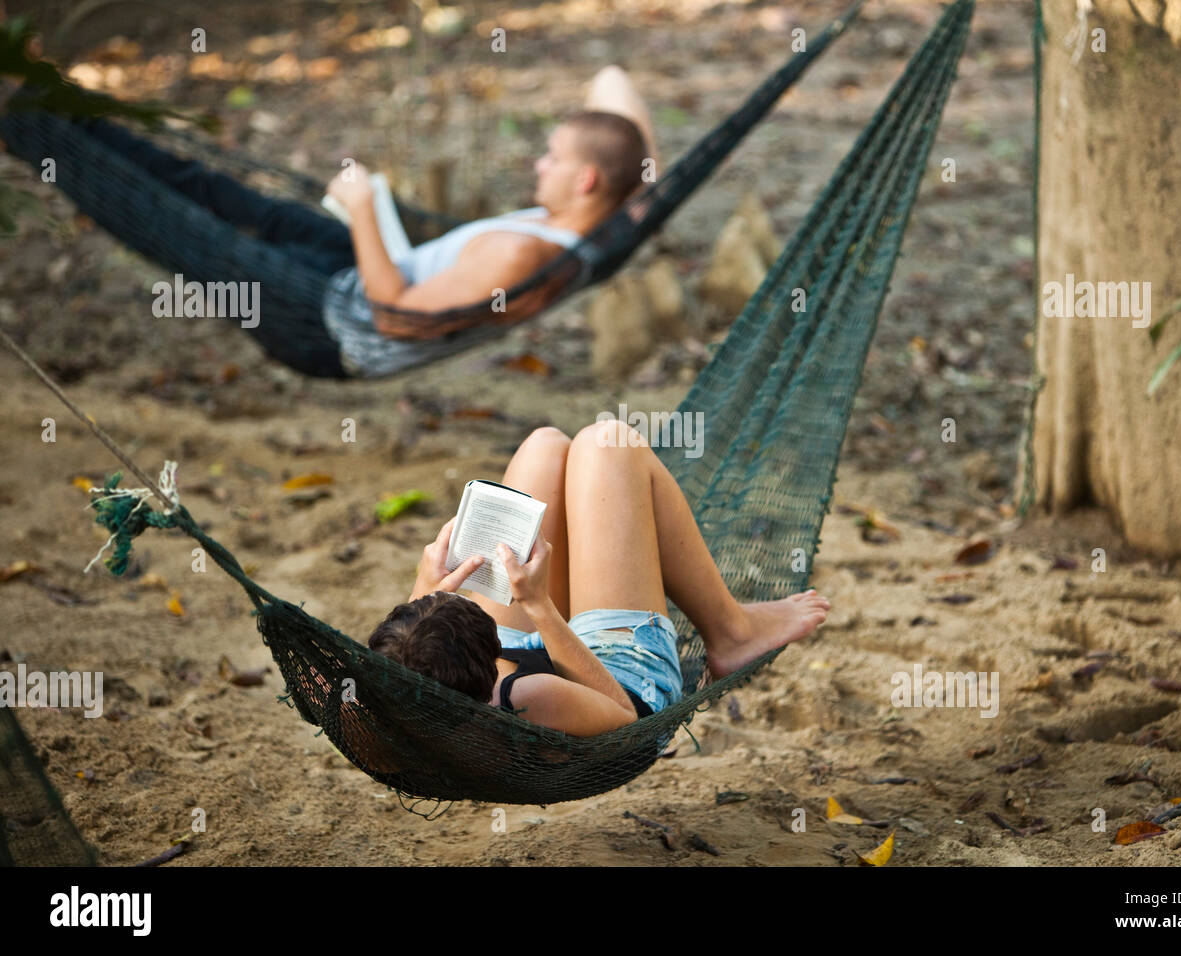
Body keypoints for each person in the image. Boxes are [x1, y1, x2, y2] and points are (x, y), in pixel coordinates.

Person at [0, 66, 657, 378]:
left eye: (553, 157)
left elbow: (397, 317)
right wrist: (644, 171)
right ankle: (47, 101)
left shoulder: (522, 258)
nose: (538, 163)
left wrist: (368, 208)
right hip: (351, 278)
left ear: (587, 180)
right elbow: (610, 81)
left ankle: (22, 123)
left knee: (173, 224)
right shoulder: (605, 219)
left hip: (327, 328)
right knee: (214, 192)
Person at [367, 420, 831, 737]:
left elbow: (407, 661)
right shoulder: (530, 695)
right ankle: (731, 632)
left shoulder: (386, 690)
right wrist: (538, 605)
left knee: (545, 446)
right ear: (488, 651)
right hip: (615, 679)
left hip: (494, 659)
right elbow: (623, 716)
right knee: (608, 442)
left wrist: (427, 586)